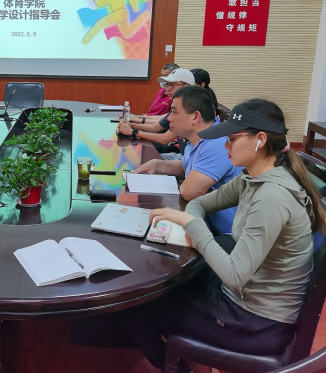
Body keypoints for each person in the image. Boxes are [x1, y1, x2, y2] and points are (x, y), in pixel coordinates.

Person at [119, 99, 326, 370]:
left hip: (256, 320)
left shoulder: (272, 197)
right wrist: (193, 223)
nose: (225, 146)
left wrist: (193, 227)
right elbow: (198, 203)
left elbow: (235, 274)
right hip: (242, 297)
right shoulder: (252, 178)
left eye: (232, 139)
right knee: (169, 286)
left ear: (260, 140)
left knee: (137, 309)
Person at [134, 86, 241, 234]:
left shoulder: (216, 142)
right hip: (203, 220)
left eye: (174, 112)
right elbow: (186, 167)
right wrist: (157, 164)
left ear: (195, 117)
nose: (169, 118)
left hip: (226, 235)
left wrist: (185, 182)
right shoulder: (197, 138)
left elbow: (189, 192)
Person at [118, 68, 195, 146]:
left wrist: (132, 131)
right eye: (167, 85)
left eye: (172, 85)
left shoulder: (190, 108)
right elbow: (156, 127)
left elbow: (165, 139)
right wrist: (131, 125)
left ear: (187, 86)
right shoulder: (177, 105)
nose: (167, 89)